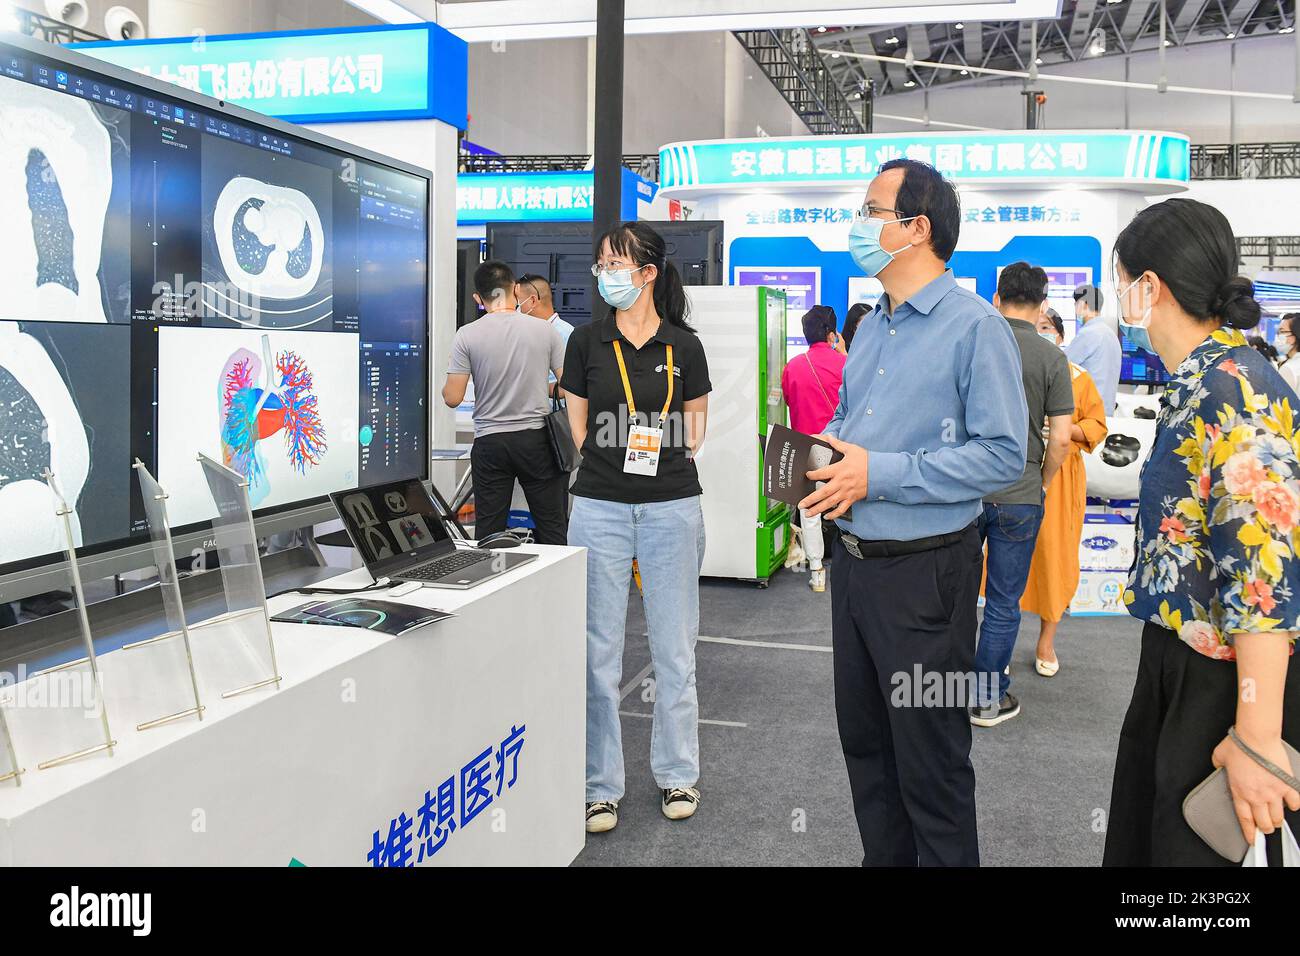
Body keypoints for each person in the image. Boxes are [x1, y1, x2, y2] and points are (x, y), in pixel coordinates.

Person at [800, 159, 1028, 866]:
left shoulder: (974, 329)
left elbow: (1001, 456)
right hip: (856, 570)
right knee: (868, 756)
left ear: (917, 228)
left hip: (928, 577)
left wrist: (880, 473)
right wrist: (819, 458)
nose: (858, 224)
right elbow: (847, 425)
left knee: (931, 768)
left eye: (871, 210)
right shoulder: (871, 328)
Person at [1104, 197, 1300, 866]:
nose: (1116, 300)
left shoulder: (1233, 390)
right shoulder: (1202, 382)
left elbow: (1263, 576)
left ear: (1149, 287)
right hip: (1178, 665)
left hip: (1221, 680)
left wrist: (1255, 737)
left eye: (1119, 281)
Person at [561, 221, 712, 835]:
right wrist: (612, 459)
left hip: (672, 506)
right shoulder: (585, 341)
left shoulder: (686, 345)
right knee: (598, 653)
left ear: (648, 273)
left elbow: (696, 428)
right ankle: (600, 786)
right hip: (598, 505)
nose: (607, 275)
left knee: (675, 649)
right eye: (602, 265)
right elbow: (577, 424)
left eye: (617, 264)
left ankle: (678, 773)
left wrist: (657, 457)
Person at [969, 262, 1074, 728]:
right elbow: (1063, 438)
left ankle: (943, 688)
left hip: (967, 491)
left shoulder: (975, 345)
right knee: (1003, 601)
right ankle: (987, 698)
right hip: (1021, 493)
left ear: (997, 298)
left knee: (951, 596)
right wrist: (1043, 479)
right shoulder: (1051, 357)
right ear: (1043, 303)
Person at [442, 259, 569, 544]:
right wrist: (539, 386)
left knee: (489, 531)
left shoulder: (467, 335)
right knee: (551, 525)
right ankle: (559, 587)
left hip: (490, 443)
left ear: (478, 298)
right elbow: (569, 386)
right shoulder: (545, 331)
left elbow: (453, 398)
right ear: (514, 288)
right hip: (536, 441)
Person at [1022, 307, 1109, 677]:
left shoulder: (1078, 378)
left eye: (1047, 328)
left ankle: (1046, 640)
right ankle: (996, 640)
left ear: (1060, 335)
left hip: (1060, 481)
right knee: (1009, 559)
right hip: (1019, 475)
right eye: (1036, 327)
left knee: (1054, 560)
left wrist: (1063, 427)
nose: (1041, 333)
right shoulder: (1016, 368)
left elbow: (1096, 424)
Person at [781, 304, 847, 593]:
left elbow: (787, 401)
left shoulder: (793, 366)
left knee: (810, 512)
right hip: (838, 445)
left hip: (803, 446)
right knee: (846, 506)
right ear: (832, 333)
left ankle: (817, 570)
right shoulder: (845, 364)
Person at [516, 273, 575, 394]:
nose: (514, 308)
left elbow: (571, 386)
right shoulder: (525, 332)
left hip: (554, 411)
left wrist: (529, 389)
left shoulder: (567, 335)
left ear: (532, 300)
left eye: (517, 302)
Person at [1066, 282, 1121, 411]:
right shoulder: (1110, 334)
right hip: (1105, 410)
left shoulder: (1088, 334)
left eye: (1076, 304)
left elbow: (1060, 365)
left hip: (1088, 413)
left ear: (1084, 305)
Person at [1276, 312, 1300, 393]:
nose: (1278, 336)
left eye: (1282, 332)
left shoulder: (1288, 368)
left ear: (1296, 334)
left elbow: (1279, 403)